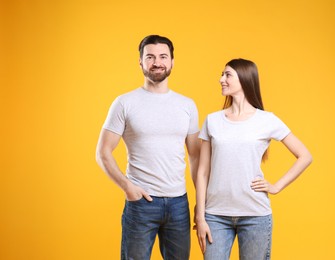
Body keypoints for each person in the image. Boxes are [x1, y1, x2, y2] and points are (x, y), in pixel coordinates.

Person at [194, 58, 312, 260]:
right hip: (215, 215)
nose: (221, 79)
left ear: (245, 79)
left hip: (255, 215)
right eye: (221, 75)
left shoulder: (267, 120)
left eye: (227, 75)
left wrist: (276, 186)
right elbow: (202, 172)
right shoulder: (212, 120)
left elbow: (305, 156)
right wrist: (200, 215)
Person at [96, 35, 200, 260]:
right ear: (140, 62)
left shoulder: (187, 105)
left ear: (172, 62)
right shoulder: (125, 103)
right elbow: (103, 152)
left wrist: (201, 203)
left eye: (163, 56)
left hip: (179, 203)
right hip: (141, 203)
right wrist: (128, 187)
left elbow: (196, 157)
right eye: (150, 57)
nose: (157, 62)